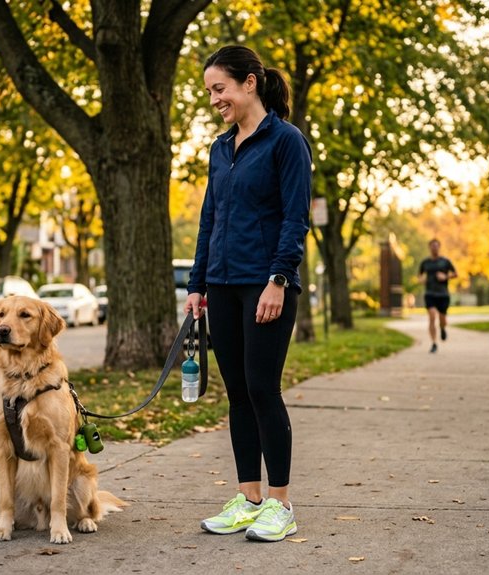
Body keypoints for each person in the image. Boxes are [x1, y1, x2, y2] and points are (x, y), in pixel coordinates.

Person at [183, 45, 312, 543]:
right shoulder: (220, 147)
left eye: (221, 88)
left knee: (262, 389)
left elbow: (294, 218)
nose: (215, 99)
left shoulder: (286, 142)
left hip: (266, 285)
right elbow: (209, 218)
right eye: (211, 91)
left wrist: (278, 279)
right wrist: (197, 285)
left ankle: (280, 503)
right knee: (237, 393)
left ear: (250, 83)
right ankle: (249, 497)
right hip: (222, 283)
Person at [418, 239, 457, 353]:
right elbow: (419, 275)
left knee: (442, 319)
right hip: (430, 294)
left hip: (443, 294)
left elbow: (455, 274)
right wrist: (422, 280)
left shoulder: (445, 261)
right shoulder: (425, 262)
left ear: (439, 247)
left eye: (436, 246)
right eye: (432, 246)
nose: (434, 248)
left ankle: (443, 328)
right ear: (429, 247)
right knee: (432, 317)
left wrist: (445, 277)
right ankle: (434, 343)